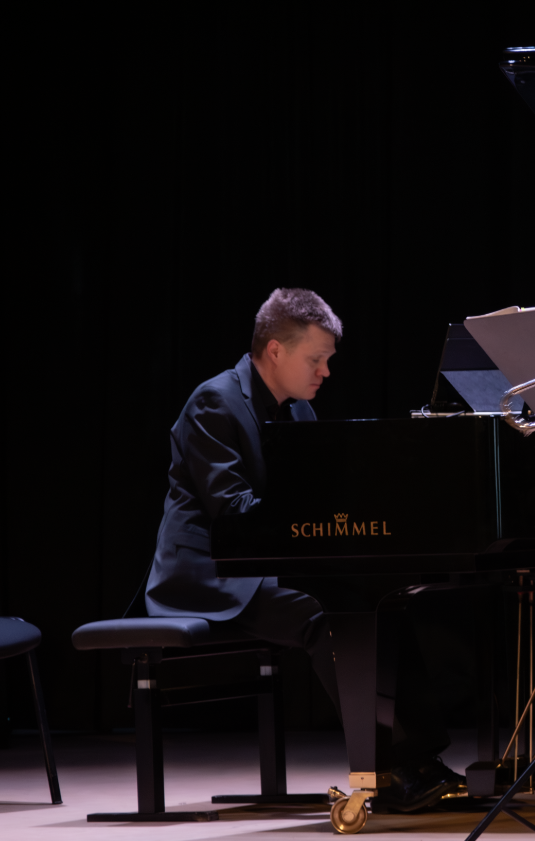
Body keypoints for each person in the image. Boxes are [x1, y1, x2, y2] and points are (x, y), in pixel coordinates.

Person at [145, 287, 462, 811]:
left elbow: (314, 499)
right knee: (323, 614)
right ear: (275, 350)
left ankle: (423, 758)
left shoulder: (299, 412)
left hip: (266, 565)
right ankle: (386, 769)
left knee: (382, 603)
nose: (326, 371)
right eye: (316, 359)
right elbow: (232, 510)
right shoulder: (213, 402)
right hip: (209, 575)